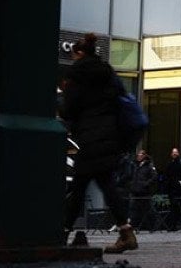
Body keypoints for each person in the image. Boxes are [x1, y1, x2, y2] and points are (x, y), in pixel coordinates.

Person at [60, 33, 138, 253]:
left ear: (79, 53)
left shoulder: (77, 74)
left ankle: (63, 232)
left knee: (80, 187)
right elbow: (120, 99)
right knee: (104, 184)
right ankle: (126, 233)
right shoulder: (107, 72)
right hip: (110, 136)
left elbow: (68, 110)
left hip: (89, 137)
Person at [128, 149, 157, 231]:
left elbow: (154, 176)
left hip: (144, 192)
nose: (138, 157)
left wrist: (146, 184)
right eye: (138, 155)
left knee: (148, 209)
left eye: (140, 155)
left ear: (144, 156)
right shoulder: (135, 165)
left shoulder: (149, 166)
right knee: (133, 209)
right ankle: (134, 226)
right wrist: (131, 184)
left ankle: (152, 226)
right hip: (135, 191)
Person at [164, 147, 181, 231]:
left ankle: (176, 224)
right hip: (172, 189)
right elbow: (167, 175)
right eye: (173, 152)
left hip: (179, 189)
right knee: (173, 207)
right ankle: (173, 224)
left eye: (176, 152)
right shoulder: (169, 164)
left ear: (178, 153)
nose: (174, 154)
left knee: (177, 206)